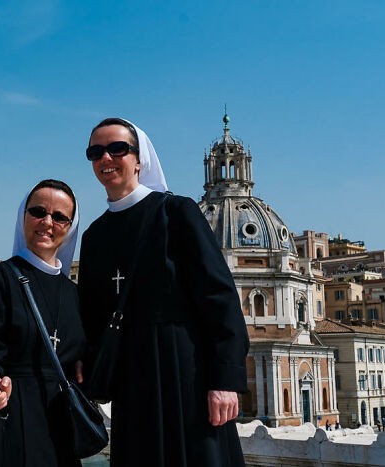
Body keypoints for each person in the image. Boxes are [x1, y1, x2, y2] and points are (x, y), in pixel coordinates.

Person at [77, 118, 250, 466]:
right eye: (95, 152)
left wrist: (225, 380)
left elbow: (219, 297)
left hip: (186, 370)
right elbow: (90, 316)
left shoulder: (176, 212)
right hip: (130, 379)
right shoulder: (94, 236)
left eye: (117, 149)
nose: (106, 158)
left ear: (139, 159)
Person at [0, 179, 85, 467]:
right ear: (23, 216)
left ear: (70, 227)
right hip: (7, 419)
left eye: (59, 217)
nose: (47, 222)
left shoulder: (75, 294)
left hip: (58, 424)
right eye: (38, 212)